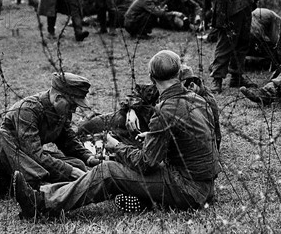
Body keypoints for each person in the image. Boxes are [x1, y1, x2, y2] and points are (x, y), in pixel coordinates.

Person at [13, 50, 221, 218]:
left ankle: (41, 203)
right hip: (204, 185)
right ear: (178, 74)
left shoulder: (165, 110)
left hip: (188, 189)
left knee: (109, 171)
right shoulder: (198, 99)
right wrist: (150, 137)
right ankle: (139, 197)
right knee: (121, 167)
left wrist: (116, 146)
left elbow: (145, 164)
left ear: (151, 77)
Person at [0, 72, 97, 196]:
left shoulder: (61, 111)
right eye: (72, 105)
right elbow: (34, 154)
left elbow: (68, 140)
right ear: (58, 98)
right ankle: (39, 188)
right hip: (7, 155)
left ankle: (16, 183)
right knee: (0, 137)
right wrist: (71, 171)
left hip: (28, 158)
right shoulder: (27, 110)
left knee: (78, 164)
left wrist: (88, 157)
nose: (74, 110)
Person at [77, 65, 221, 151]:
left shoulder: (205, 103)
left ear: (190, 85)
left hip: (157, 137)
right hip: (139, 120)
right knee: (87, 127)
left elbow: (214, 139)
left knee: (118, 146)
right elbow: (139, 92)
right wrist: (131, 110)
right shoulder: (171, 86)